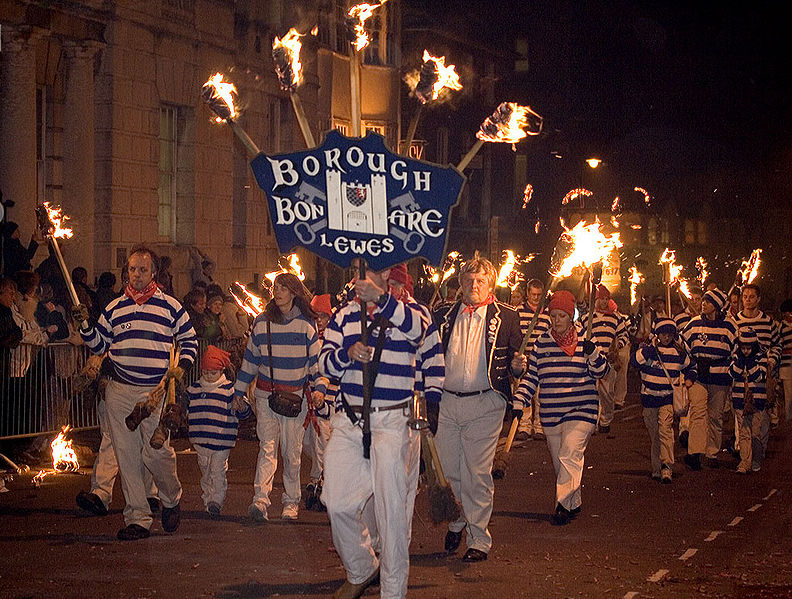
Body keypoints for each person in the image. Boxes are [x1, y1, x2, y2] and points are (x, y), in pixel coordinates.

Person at [320, 263, 430, 599]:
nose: (357, 276)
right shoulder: (344, 315)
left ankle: (393, 592)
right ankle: (363, 567)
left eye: (365, 269)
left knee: (391, 513)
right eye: (355, 270)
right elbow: (324, 362)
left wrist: (383, 301)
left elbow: (419, 334)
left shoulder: (413, 311)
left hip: (393, 423)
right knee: (335, 502)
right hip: (350, 420)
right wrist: (347, 354)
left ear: (386, 275)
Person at [73, 244, 198, 541]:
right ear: (126, 272)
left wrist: (181, 368)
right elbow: (100, 345)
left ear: (153, 272)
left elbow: (189, 340)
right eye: (132, 269)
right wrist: (84, 324)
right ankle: (138, 518)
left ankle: (170, 498)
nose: (137, 275)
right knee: (127, 457)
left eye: (143, 269)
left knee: (157, 454)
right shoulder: (115, 307)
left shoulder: (170, 305)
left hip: (155, 393)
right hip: (120, 390)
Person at [433, 256, 525, 561]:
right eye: (469, 280)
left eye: (481, 281)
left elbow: (518, 363)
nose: (474, 285)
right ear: (460, 284)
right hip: (446, 401)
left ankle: (478, 538)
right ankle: (458, 519)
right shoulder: (443, 315)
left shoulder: (508, 317)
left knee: (477, 472)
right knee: (448, 470)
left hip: (485, 402)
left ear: (491, 284)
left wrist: (518, 366)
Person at [234, 272, 324, 523]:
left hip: (296, 398)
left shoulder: (307, 325)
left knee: (292, 452)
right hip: (266, 396)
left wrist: (319, 389)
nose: (278, 291)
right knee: (267, 449)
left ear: (295, 292)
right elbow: (250, 360)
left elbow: (314, 364)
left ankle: (291, 502)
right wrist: (238, 391)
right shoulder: (262, 322)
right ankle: (260, 501)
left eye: (284, 287)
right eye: (276, 287)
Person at [514, 290, 609, 525]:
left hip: (582, 409)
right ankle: (573, 502)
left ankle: (562, 505)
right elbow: (532, 376)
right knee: (562, 462)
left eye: (562, 316)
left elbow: (602, 372)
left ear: (571, 317)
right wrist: (519, 400)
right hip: (551, 413)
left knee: (569, 454)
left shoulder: (586, 342)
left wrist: (593, 354)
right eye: (553, 316)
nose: (557, 321)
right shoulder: (542, 343)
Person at [76, 355, 161, 517]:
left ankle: (149, 494)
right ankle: (101, 493)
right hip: (113, 387)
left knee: (145, 441)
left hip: (143, 386)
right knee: (110, 440)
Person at [187, 345, 251, 515]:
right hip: (200, 440)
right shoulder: (194, 389)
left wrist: (241, 406)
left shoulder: (230, 390)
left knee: (217, 469)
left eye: (212, 373)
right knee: (205, 471)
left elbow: (245, 412)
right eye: (205, 372)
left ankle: (217, 499)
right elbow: (185, 408)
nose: (208, 376)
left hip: (222, 440)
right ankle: (208, 498)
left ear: (221, 370)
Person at [679, 288, 737, 470]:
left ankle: (711, 452)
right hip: (699, 374)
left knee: (715, 416)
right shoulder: (694, 324)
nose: (704, 304)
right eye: (703, 301)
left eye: (708, 302)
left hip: (720, 377)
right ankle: (694, 453)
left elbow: (736, 351)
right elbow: (683, 346)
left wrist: (731, 371)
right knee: (697, 413)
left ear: (717, 306)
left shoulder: (729, 326)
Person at [633, 318, 696, 483]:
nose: (666, 338)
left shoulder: (679, 352)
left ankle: (667, 466)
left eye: (669, 335)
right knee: (655, 435)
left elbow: (691, 366)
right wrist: (648, 352)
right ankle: (656, 468)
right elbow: (634, 362)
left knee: (666, 432)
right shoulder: (648, 350)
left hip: (667, 398)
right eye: (663, 334)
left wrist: (689, 378)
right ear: (657, 334)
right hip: (648, 398)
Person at [578, 284, 628, 434]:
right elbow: (579, 333)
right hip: (591, 360)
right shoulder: (587, 318)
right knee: (591, 392)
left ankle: (605, 420)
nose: (604, 302)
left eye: (607, 299)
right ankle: (592, 422)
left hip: (609, 360)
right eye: (602, 299)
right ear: (596, 299)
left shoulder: (616, 318)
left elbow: (624, 335)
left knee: (607, 393)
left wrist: (617, 346)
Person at [302, 293, 335, 511]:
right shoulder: (308, 335)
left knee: (323, 438)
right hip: (308, 393)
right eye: (317, 316)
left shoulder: (334, 339)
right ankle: (317, 477)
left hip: (328, 394)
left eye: (324, 316)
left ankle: (321, 482)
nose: (320, 320)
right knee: (309, 441)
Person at [734, 284, 782, 426]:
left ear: (758, 299)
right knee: (741, 417)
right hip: (742, 375)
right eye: (745, 297)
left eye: (752, 297)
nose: (748, 300)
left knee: (761, 419)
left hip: (762, 374)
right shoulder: (736, 321)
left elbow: (777, 344)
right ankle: (743, 446)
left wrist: (771, 361)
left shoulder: (767, 322)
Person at [515, 279, 551, 441]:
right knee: (524, 394)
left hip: (541, 361)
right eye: (533, 294)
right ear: (527, 294)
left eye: (539, 295)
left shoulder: (547, 314)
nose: (536, 298)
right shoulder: (518, 311)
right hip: (524, 360)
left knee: (541, 395)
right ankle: (524, 426)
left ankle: (539, 427)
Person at [729, 328, 769, 473]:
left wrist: (750, 362)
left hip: (757, 401)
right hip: (740, 400)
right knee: (744, 432)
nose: (745, 351)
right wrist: (741, 362)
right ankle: (745, 462)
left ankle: (756, 459)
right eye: (743, 348)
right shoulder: (736, 356)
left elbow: (759, 376)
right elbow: (732, 373)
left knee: (755, 433)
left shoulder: (762, 356)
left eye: (748, 348)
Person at [778, 299, 792, 422]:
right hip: (786, 365)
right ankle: (788, 417)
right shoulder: (781, 327)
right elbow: (779, 345)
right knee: (789, 393)